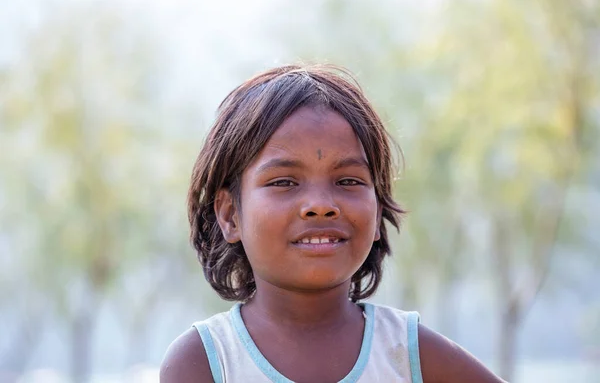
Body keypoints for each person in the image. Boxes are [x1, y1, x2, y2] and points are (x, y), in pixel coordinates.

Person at [160, 64, 505, 383]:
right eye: (284, 182)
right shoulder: (206, 361)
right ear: (230, 215)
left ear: (378, 205)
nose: (321, 206)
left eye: (348, 181)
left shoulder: (410, 352)